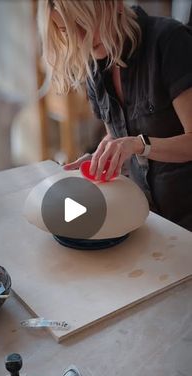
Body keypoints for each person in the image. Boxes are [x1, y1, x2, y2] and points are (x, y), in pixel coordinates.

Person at [38, 0, 192, 231]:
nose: (82, 39)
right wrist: (103, 155)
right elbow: (119, 135)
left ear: (115, 5)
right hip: (152, 221)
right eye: (67, 30)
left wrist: (139, 145)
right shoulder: (94, 67)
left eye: (84, 23)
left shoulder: (170, 41)